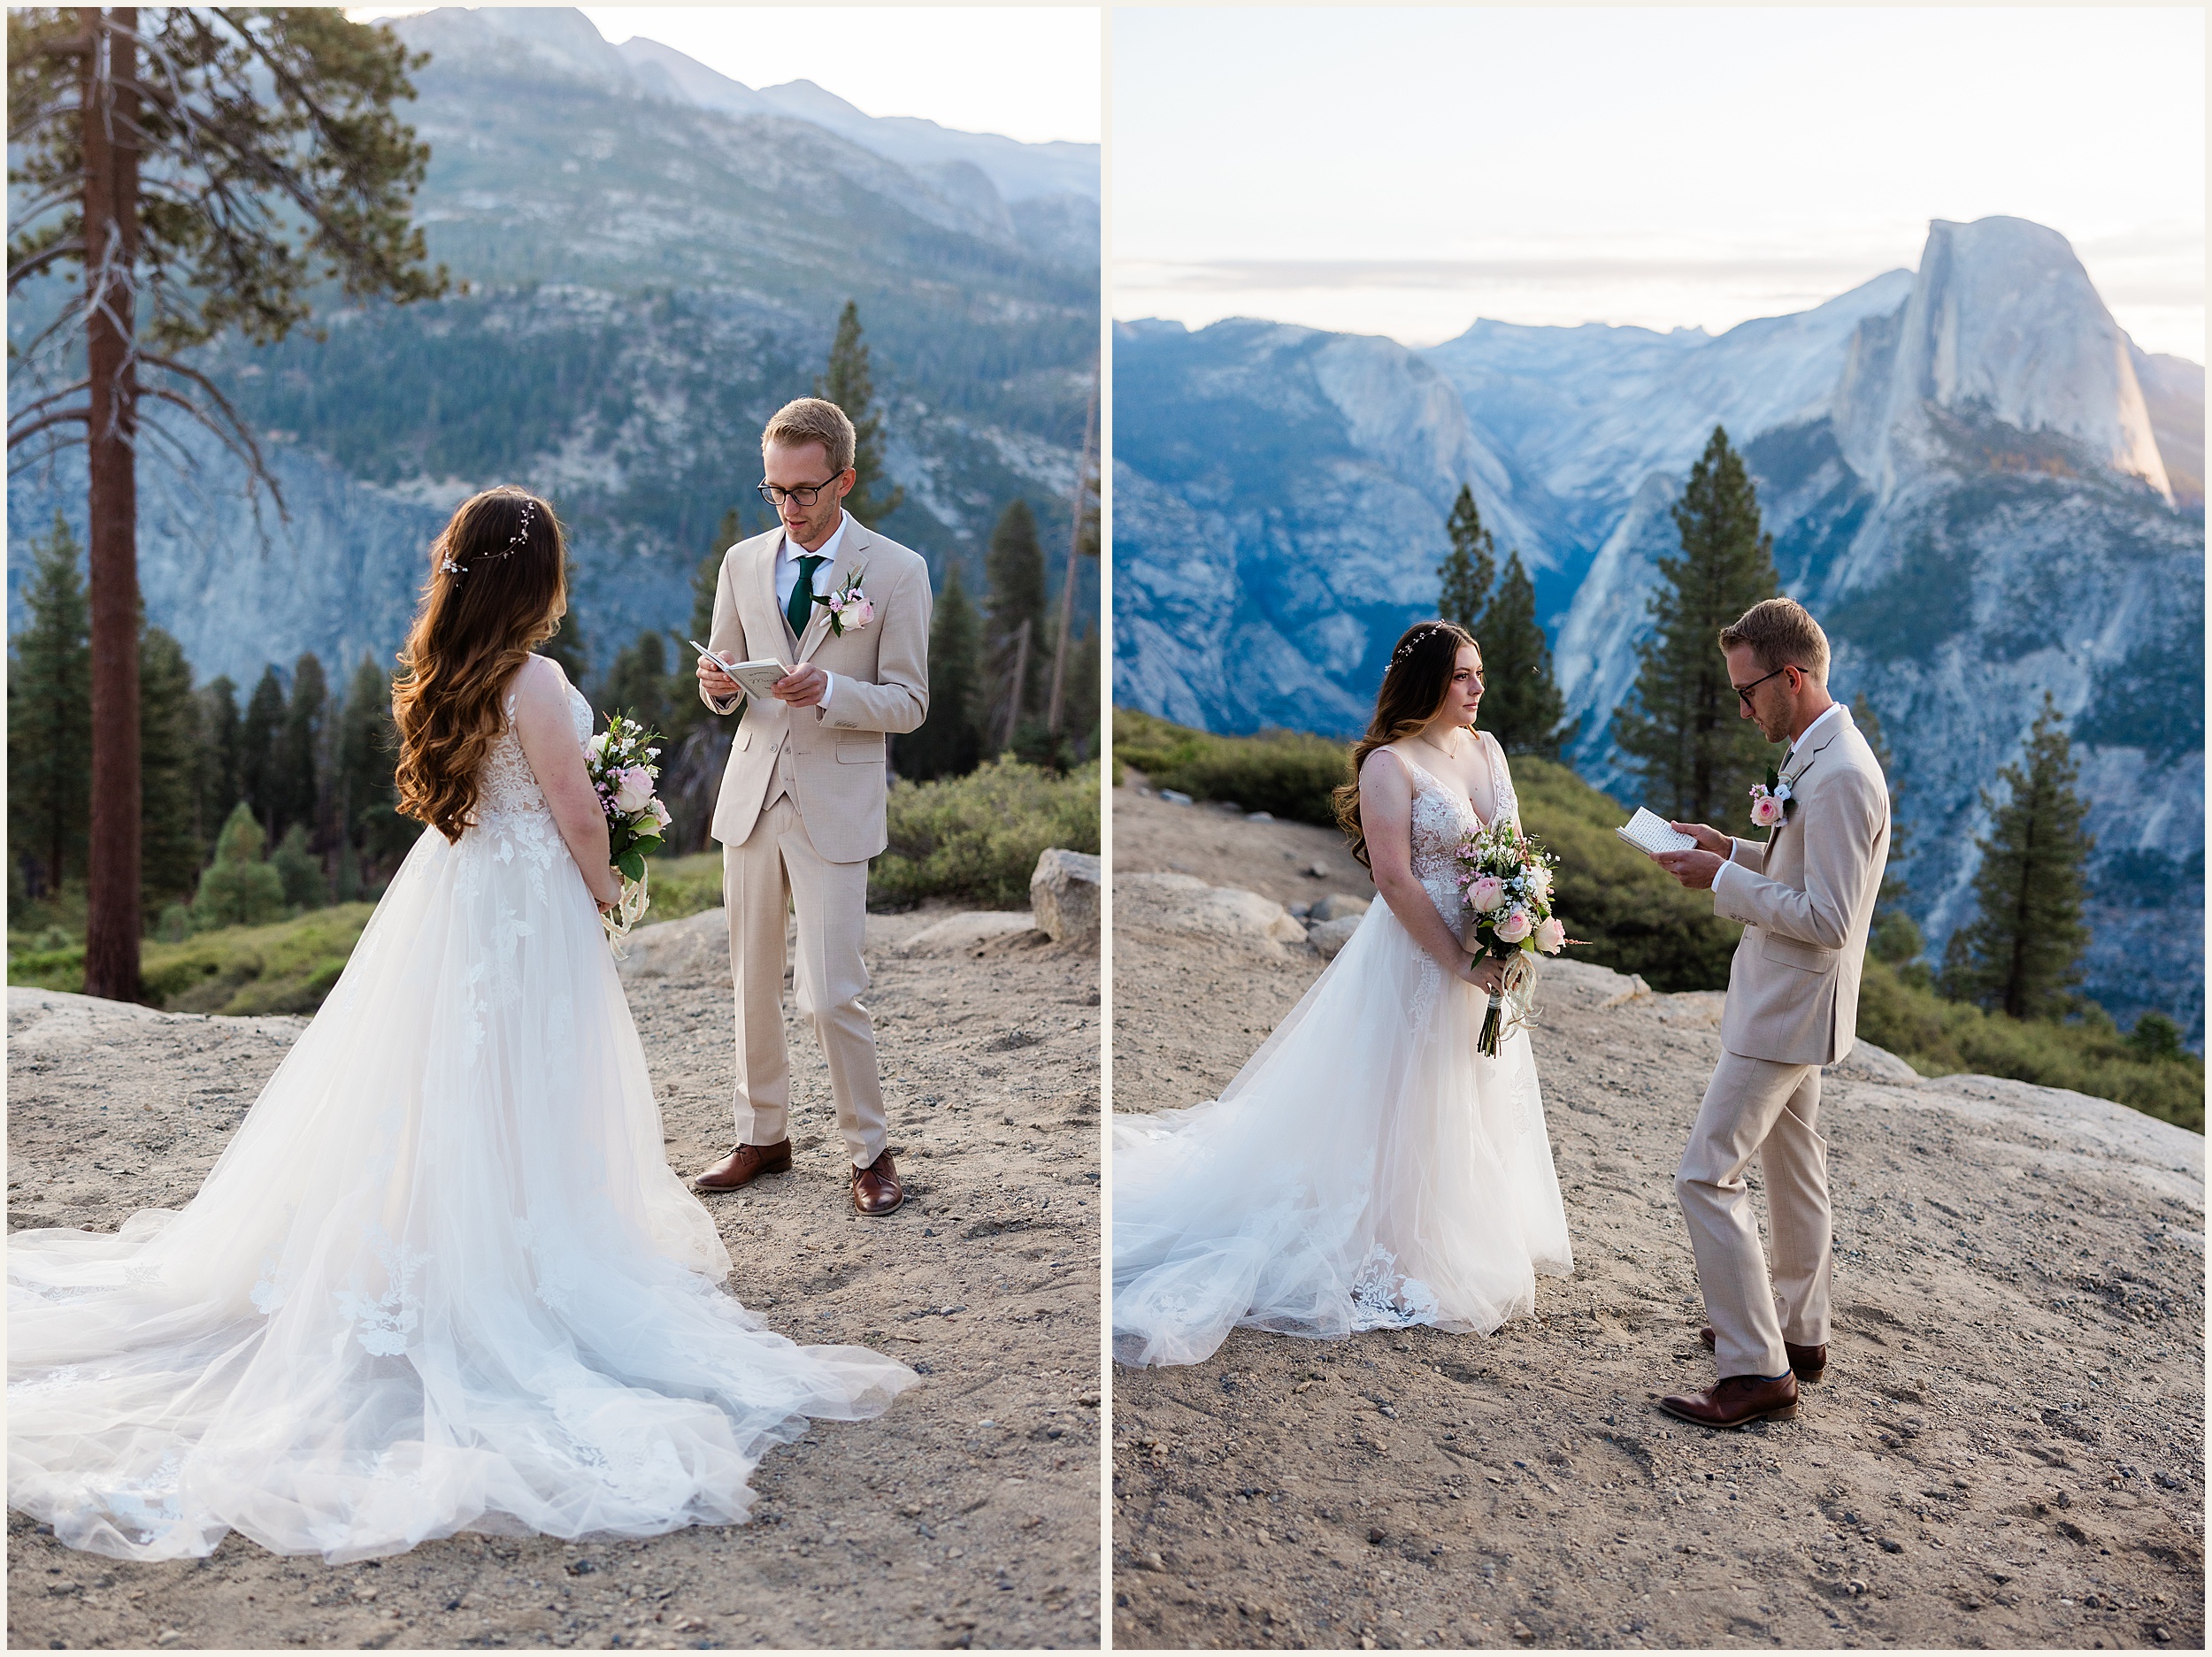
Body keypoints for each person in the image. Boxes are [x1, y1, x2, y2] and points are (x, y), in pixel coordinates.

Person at [7, 488, 913, 1561]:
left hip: (457, 890)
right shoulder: (538, 681)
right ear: (537, 582)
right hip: (529, 908)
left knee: (439, 1074)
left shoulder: (450, 672)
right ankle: (514, 1253)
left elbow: (490, 795)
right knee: (524, 1077)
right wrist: (607, 887)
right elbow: (576, 809)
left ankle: (439, 1228)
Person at [1111, 619, 1572, 1368]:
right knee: (1404, 1093)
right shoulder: (1391, 767)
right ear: (1427, 684)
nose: (1479, 688)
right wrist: (1460, 957)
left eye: (1480, 673)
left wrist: (1518, 922)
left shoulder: (1488, 751)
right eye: (1463, 675)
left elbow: (1513, 847)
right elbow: (1393, 878)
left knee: (1467, 1086)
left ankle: (1460, 1225)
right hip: (1421, 956)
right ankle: (1394, 1246)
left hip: (1485, 953)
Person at [1648, 596, 1889, 1430]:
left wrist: (1719, 883)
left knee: (1704, 1174)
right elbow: (1801, 865)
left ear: (1794, 676)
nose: (1743, 708)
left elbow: (1828, 918)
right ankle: (1799, 1332)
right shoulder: (1817, 757)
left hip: (1790, 1002)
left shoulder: (1844, 776)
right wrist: (1730, 847)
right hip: (1790, 998)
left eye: (1749, 692)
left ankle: (1755, 1369)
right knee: (1794, 1165)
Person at [690, 398, 932, 1216]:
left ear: (844, 480)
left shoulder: (897, 571)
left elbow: (910, 702)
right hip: (753, 793)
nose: (788, 507)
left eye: (803, 490)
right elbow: (719, 677)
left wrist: (833, 688)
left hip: (837, 797)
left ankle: (869, 1150)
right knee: (750, 980)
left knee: (832, 991)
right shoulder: (740, 561)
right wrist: (717, 687)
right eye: (774, 490)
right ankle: (762, 1135)